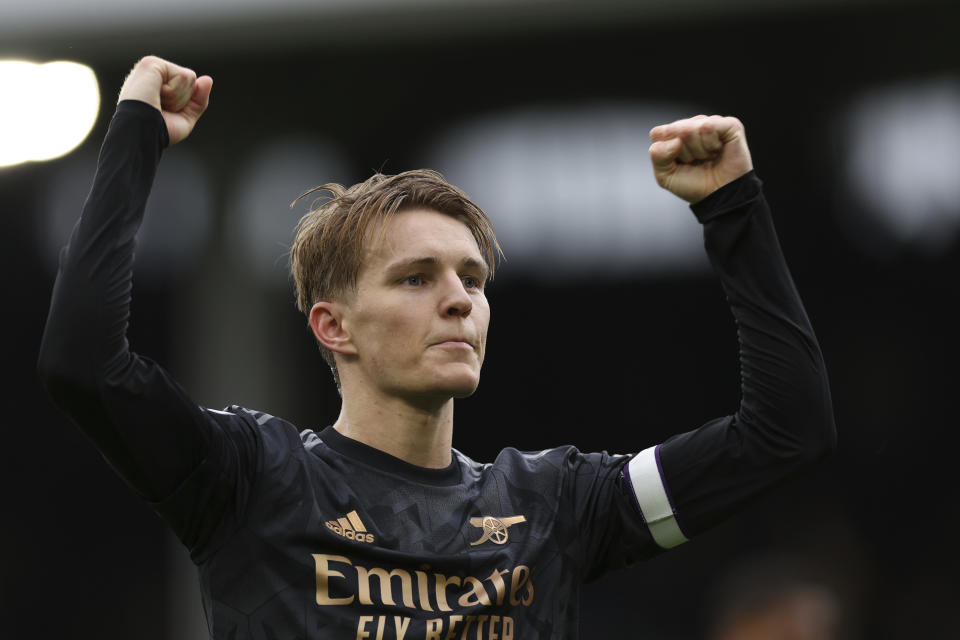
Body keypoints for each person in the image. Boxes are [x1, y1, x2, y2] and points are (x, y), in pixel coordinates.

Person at [38, 56, 836, 639]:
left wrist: (734, 208)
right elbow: (83, 363)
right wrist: (137, 130)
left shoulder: (555, 508)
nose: (460, 298)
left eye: (473, 278)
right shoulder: (250, 479)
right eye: (416, 278)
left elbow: (783, 433)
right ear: (333, 327)